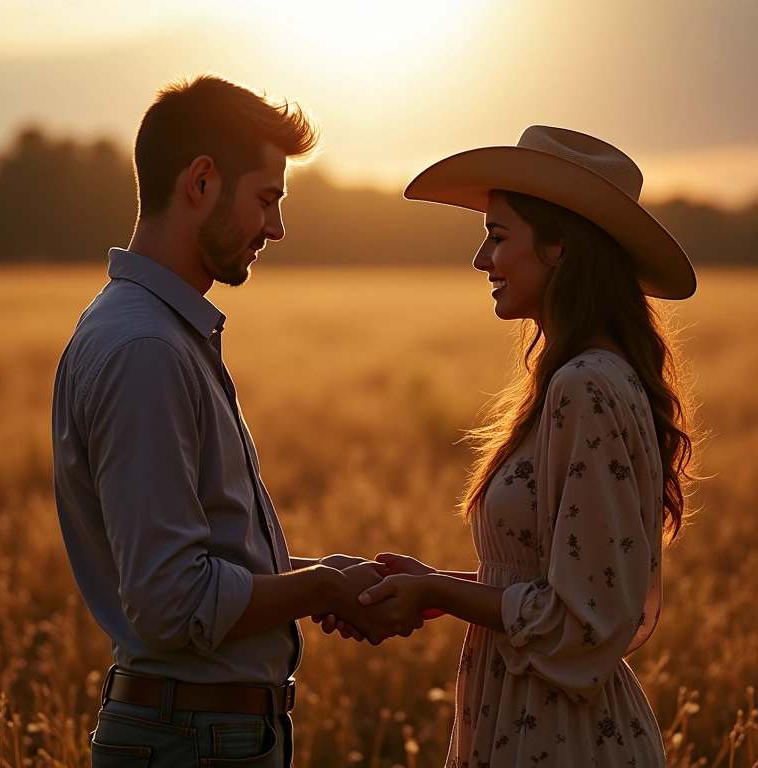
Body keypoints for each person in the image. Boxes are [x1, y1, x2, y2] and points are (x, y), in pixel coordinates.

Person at [51, 74, 423, 768]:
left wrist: (316, 573)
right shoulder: (147, 349)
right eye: (266, 198)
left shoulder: (160, 333)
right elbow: (171, 600)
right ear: (201, 182)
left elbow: (201, 568)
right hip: (190, 740)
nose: (276, 227)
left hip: (200, 734)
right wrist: (319, 588)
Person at [350, 125, 698, 766]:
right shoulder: (587, 376)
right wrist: (436, 583)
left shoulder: (584, 385)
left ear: (560, 245)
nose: (481, 259)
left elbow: (582, 621)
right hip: (534, 719)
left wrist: (441, 594)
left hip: (559, 734)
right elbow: (545, 581)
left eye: (497, 235)